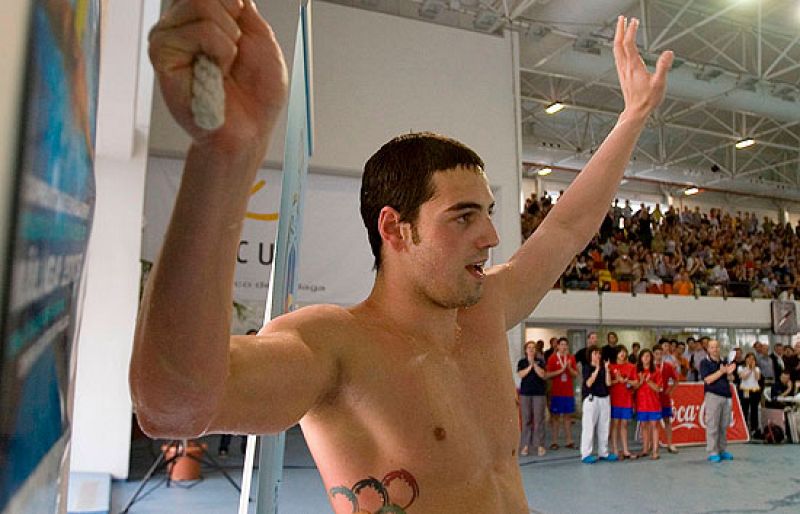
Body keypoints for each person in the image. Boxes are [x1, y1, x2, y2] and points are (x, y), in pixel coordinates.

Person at [131, 5, 672, 511]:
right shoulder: (335, 348)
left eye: (488, 212)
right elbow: (171, 406)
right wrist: (225, 155)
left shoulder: (486, 311)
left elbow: (568, 228)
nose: (490, 236)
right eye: (464, 216)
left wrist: (633, 116)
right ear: (395, 229)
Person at [700, 340, 737, 463]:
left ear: (719, 348)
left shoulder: (724, 362)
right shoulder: (704, 363)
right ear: (708, 349)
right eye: (712, 347)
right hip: (713, 396)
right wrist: (721, 371)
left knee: (723, 425)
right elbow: (708, 380)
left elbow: (731, 379)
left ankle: (722, 450)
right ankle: (712, 451)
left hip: (726, 396)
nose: (714, 349)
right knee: (713, 425)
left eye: (716, 347)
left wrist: (730, 373)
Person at [579, 346, 616, 464]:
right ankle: (586, 454)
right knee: (589, 426)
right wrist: (596, 370)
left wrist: (606, 370)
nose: (598, 356)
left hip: (604, 398)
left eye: (599, 353)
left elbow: (608, 383)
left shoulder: (604, 368)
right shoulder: (586, 367)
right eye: (595, 353)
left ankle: (603, 452)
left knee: (604, 426)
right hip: (591, 399)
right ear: (590, 355)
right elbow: (588, 383)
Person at [546, 338, 578, 450]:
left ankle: (569, 441)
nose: (564, 347)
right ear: (558, 346)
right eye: (562, 345)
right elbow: (547, 375)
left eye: (566, 345)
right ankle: (554, 441)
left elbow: (575, 375)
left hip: (568, 393)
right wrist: (560, 370)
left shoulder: (571, 358)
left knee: (567, 417)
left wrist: (568, 368)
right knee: (555, 418)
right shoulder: (552, 358)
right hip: (556, 393)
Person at [517, 342, 547, 457]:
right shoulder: (522, 362)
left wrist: (535, 365)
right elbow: (521, 374)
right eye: (529, 348)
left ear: (535, 350)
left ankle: (540, 445)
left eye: (533, 348)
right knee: (526, 420)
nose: (531, 350)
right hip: (525, 394)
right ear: (525, 350)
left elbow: (542, 374)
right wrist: (530, 366)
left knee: (539, 420)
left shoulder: (541, 362)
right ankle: (525, 445)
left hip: (539, 394)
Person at [609, 346, 637, 460]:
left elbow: (635, 382)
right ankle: (615, 449)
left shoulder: (631, 366)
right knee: (615, 424)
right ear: (616, 354)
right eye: (620, 352)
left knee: (624, 424)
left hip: (626, 399)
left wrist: (627, 381)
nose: (622, 354)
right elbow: (607, 383)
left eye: (624, 352)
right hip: (614, 399)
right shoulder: (611, 366)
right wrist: (617, 380)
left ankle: (625, 449)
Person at [634, 349, 662, 459]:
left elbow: (658, 388)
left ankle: (655, 451)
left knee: (654, 426)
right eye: (644, 356)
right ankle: (645, 449)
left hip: (653, 404)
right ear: (640, 358)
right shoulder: (637, 371)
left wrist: (649, 381)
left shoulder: (656, 371)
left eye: (648, 356)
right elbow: (634, 387)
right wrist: (641, 381)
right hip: (641, 404)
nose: (646, 358)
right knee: (644, 426)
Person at [653, 344, 679, 453]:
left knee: (667, 420)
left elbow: (676, 379)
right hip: (652, 398)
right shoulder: (650, 366)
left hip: (664, 397)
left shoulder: (668, 366)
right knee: (653, 422)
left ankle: (670, 444)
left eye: (660, 353)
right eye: (656, 354)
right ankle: (653, 446)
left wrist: (671, 390)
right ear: (653, 354)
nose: (659, 356)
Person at [737, 352, 762, 436]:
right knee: (745, 409)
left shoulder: (757, 368)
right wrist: (749, 369)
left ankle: (754, 429)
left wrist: (754, 368)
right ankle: (744, 428)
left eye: (752, 359)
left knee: (754, 410)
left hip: (755, 390)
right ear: (746, 359)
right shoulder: (741, 368)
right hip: (745, 390)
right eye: (749, 358)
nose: (751, 360)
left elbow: (757, 378)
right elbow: (743, 377)